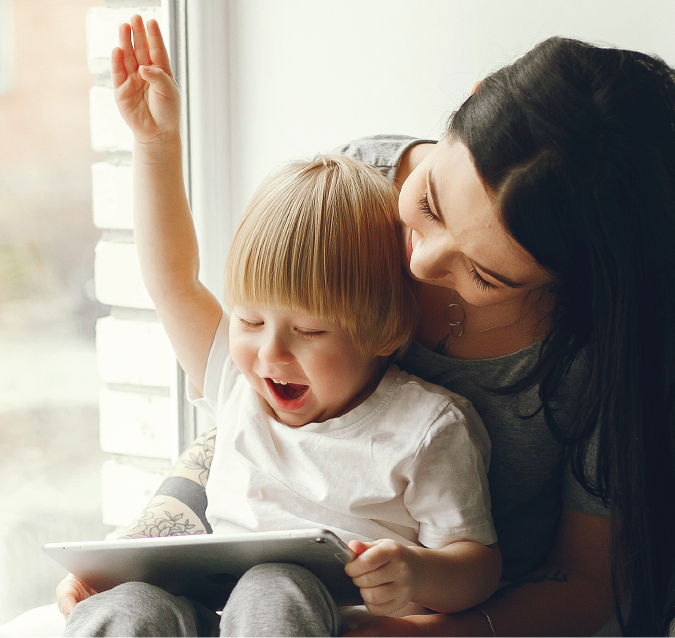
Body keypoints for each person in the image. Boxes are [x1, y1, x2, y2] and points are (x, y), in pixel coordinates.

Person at [57, 18, 675, 638]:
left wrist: (423, 619)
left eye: (485, 274)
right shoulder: (342, 201)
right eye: (429, 202)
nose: (422, 263)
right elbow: (178, 292)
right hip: (215, 589)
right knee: (122, 606)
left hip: (397, 614)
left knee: (275, 592)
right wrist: (138, 550)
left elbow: (583, 584)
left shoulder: (445, 423)